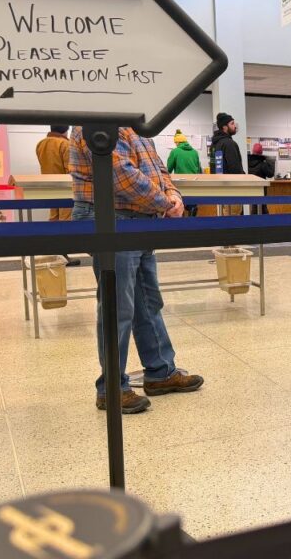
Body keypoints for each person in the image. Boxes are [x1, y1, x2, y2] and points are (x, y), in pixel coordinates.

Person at [70, 126, 204, 414]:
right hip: (111, 216)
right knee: (118, 307)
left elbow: (158, 167)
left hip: (140, 218)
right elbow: (121, 175)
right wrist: (165, 202)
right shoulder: (94, 123)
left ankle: (160, 372)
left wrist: (174, 194)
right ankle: (112, 388)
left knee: (147, 301)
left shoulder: (138, 128)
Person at [35, 125, 80, 266]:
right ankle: (63, 255)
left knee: (54, 219)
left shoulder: (41, 144)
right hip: (65, 189)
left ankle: (55, 254)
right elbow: (71, 169)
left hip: (49, 189)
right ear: (65, 129)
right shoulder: (64, 144)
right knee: (65, 222)